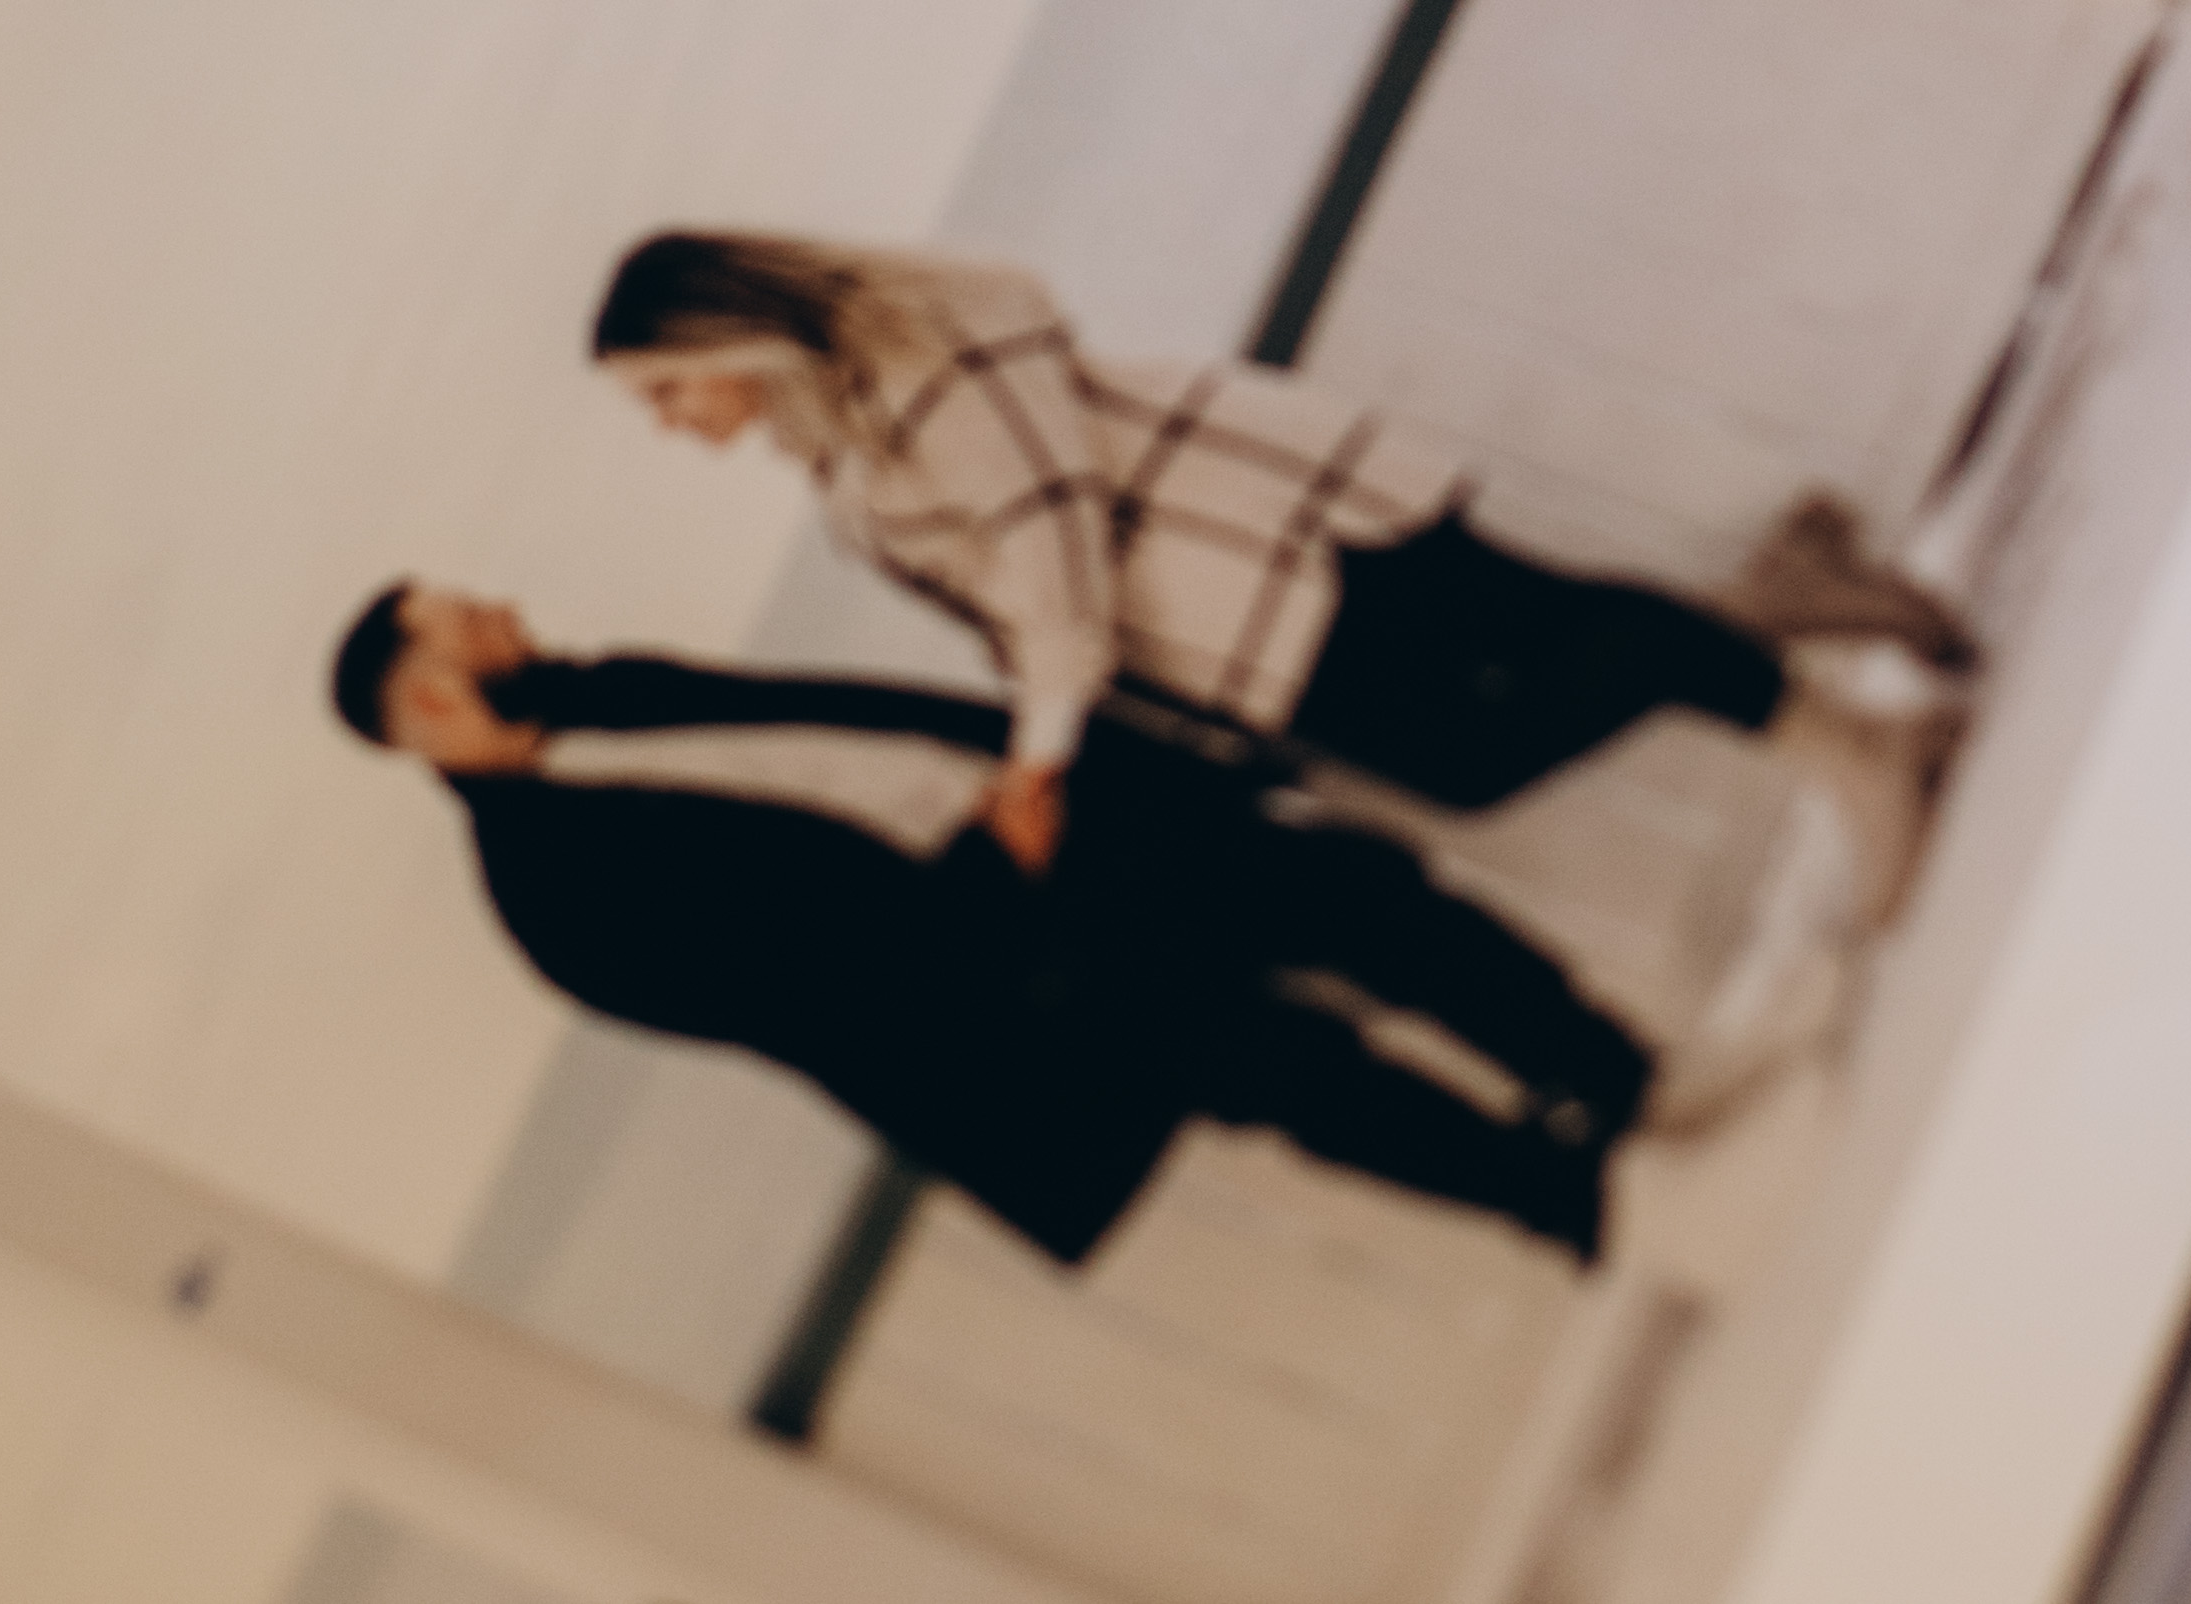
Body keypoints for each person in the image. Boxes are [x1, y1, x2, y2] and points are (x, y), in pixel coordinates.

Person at [332, 581, 1683, 1266]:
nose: (505, 614)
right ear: (435, 705)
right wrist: (992, 867)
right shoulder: (553, 898)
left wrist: (1059, 769)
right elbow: (801, 987)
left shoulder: (607, 689)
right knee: (1297, 1074)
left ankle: (1610, 1073)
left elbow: (846, 728)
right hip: (1016, 974)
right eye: (469, 623)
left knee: (1363, 900)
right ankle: (1558, 1194)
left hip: (1069, 820)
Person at [582, 229, 1962, 894]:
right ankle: (1785, 597)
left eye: (664, 389)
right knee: (1527, 674)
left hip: (1283, 533)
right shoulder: (847, 464)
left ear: (722, 338)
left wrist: (1038, 757)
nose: (669, 424)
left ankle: (1848, 732)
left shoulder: (923, 360)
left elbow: (1050, 543)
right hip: (1234, 599)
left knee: (1484, 743)